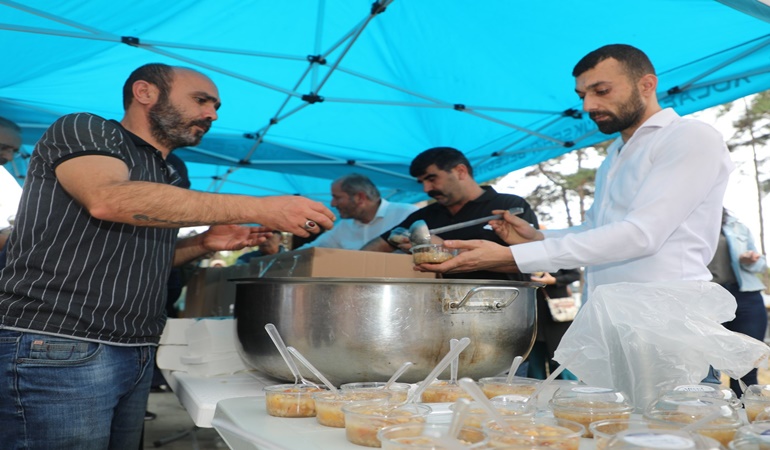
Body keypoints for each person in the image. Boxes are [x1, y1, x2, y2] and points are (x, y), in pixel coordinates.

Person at [0, 63, 335, 450]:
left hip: (135, 348)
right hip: (57, 342)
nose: (212, 114)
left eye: (216, 106)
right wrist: (261, 207)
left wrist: (204, 244)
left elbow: (143, 257)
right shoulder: (87, 129)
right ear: (145, 93)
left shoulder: (170, 173)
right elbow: (107, 199)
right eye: (201, 100)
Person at [416, 44, 733, 297]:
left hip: (669, 317)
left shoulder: (688, 136)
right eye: (583, 95)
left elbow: (641, 235)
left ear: (647, 85)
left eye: (602, 90)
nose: (587, 106)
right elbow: (596, 231)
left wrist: (510, 257)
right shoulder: (616, 154)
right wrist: (537, 237)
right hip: (612, 315)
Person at [362, 146, 538, 281]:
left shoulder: (509, 206)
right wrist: (354, 263)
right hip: (441, 309)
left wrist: (443, 249)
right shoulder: (425, 216)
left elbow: (532, 260)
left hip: (504, 307)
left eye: (431, 179)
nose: (426, 189)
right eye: (421, 182)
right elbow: (380, 245)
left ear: (460, 171)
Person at [708, 209, 768, 395]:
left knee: (747, 367)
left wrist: (749, 260)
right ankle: (711, 415)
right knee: (706, 366)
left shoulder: (737, 226)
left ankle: (749, 418)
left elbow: (761, 264)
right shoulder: (690, 224)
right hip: (709, 295)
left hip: (745, 295)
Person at [295, 173, 418, 250]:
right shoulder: (344, 226)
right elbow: (312, 249)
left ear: (360, 197)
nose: (332, 204)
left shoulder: (406, 214)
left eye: (337, 197)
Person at [527, 269, 581, 380]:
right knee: (535, 361)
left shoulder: (559, 255)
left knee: (560, 358)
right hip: (534, 314)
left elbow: (575, 274)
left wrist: (554, 280)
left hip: (557, 315)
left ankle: (566, 393)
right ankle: (537, 393)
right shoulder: (525, 256)